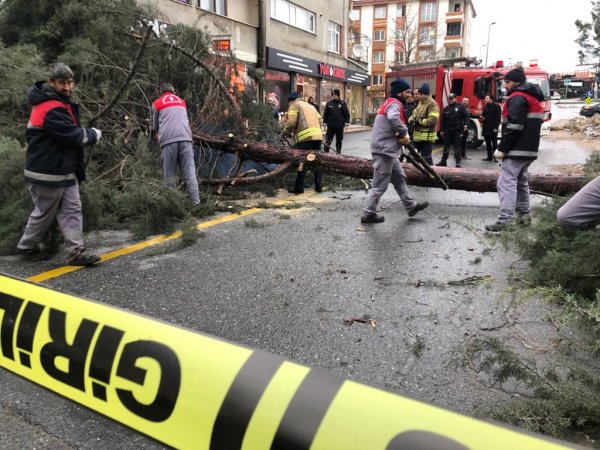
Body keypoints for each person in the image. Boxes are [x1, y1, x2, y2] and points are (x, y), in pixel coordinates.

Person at [17, 63, 102, 266]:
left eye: (70, 82)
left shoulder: (58, 103)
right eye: (62, 83)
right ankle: (26, 247)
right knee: (45, 212)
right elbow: (71, 136)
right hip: (47, 172)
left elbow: (68, 132)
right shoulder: (49, 107)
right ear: (51, 82)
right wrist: (92, 134)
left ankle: (75, 252)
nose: (67, 87)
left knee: (72, 209)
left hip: (63, 169)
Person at [485, 67, 546, 232]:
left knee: (505, 183)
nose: (505, 85)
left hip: (517, 149)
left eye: (508, 82)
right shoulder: (531, 97)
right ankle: (524, 217)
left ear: (517, 82)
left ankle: (506, 221)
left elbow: (515, 126)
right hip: (529, 149)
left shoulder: (517, 97)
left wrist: (502, 147)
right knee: (521, 183)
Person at [361, 78, 429, 223]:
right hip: (384, 150)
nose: (410, 95)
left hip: (388, 150)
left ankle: (411, 206)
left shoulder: (390, 103)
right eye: (407, 92)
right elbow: (393, 119)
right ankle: (368, 213)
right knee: (380, 185)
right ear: (399, 92)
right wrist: (404, 133)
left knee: (399, 178)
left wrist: (399, 140)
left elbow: (390, 125)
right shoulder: (394, 104)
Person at [152, 82, 201, 206]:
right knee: (190, 173)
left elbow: (155, 127)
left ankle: (173, 206)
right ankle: (196, 204)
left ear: (161, 92)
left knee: (169, 176)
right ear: (173, 92)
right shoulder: (182, 102)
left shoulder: (157, 104)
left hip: (168, 141)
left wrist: (158, 135)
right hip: (186, 139)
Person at [281, 92, 323, 194]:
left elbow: (291, 123)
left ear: (291, 100)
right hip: (318, 136)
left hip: (305, 138)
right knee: (316, 161)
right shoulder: (310, 106)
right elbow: (320, 120)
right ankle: (319, 186)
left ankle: (299, 189)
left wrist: (284, 133)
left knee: (301, 162)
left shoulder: (294, 106)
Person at [408, 83, 439, 166]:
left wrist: (419, 122)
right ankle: (413, 175)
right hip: (417, 137)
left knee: (426, 159)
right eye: (418, 94)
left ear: (426, 95)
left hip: (427, 138)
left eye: (420, 94)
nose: (418, 96)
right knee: (413, 157)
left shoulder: (433, 104)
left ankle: (430, 177)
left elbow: (432, 120)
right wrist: (411, 118)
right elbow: (415, 112)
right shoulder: (421, 102)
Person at [438, 93, 469, 167]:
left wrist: (466, 125)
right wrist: (442, 130)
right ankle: (443, 161)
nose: (450, 100)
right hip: (448, 131)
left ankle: (458, 162)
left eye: (452, 98)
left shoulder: (461, 107)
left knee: (457, 147)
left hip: (458, 131)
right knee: (446, 146)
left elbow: (466, 116)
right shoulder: (446, 109)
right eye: (450, 99)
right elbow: (442, 120)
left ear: (455, 99)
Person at [323, 88, 350, 153]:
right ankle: (326, 152)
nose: (333, 96)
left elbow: (346, 114)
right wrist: (324, 123)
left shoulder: (343, 103)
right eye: (332, 95)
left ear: (338, 95)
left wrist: (346, 124)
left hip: (339, 126)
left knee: (339, 140)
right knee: (328, 139)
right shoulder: (329, 103)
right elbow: (325, 114)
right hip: (331, 125)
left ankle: (338, 152)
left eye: (335, 95)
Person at [480, 94, 502, 161]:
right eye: (485, 99)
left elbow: (498, 118)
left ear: (491, 99)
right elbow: (483, 117)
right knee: (488, 143)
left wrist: (496, 127)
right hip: (486, 128)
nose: (485, 100)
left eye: (486, 98)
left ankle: (495, 157)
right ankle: (489, 157)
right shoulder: (485, 107)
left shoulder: (497, 106)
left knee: (494, 143)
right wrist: (482, 120)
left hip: (493, 128)